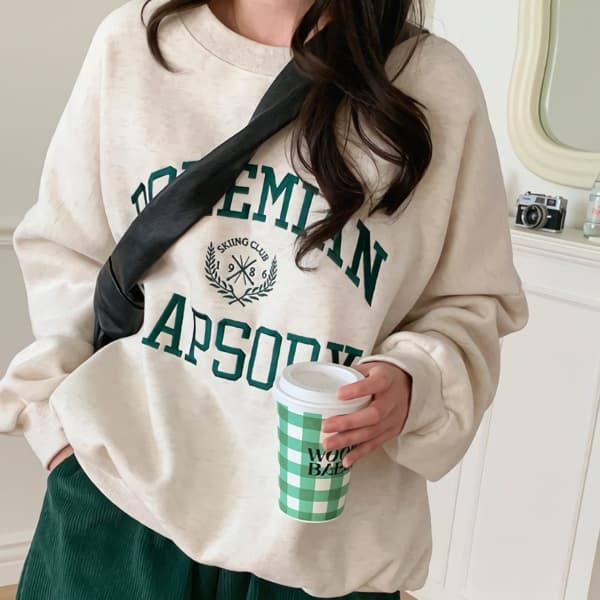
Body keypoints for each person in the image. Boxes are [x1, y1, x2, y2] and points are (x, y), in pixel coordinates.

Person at [0, 0, 529, 598]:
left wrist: (414, 381)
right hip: (119, 502)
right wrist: (58, 435)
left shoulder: (433, 83)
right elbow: (65, 253)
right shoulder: (134, 47)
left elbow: (471, 303)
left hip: (321, 543)